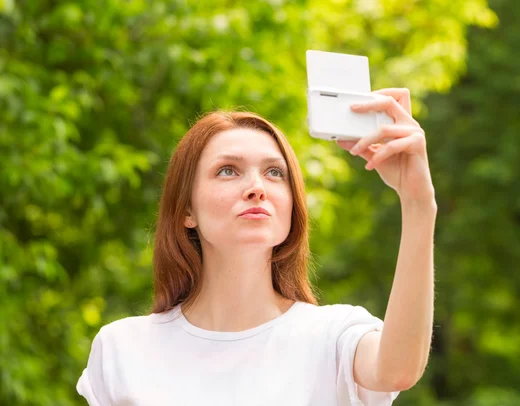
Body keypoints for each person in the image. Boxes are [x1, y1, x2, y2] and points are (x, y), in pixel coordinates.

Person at [76, 88, 436, 406]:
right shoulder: (123, 349)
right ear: (187, 209)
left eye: (274, 172)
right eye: (228, 170)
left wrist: (418, 203)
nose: (256, 187)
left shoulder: (334, 337)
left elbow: (397, 370)